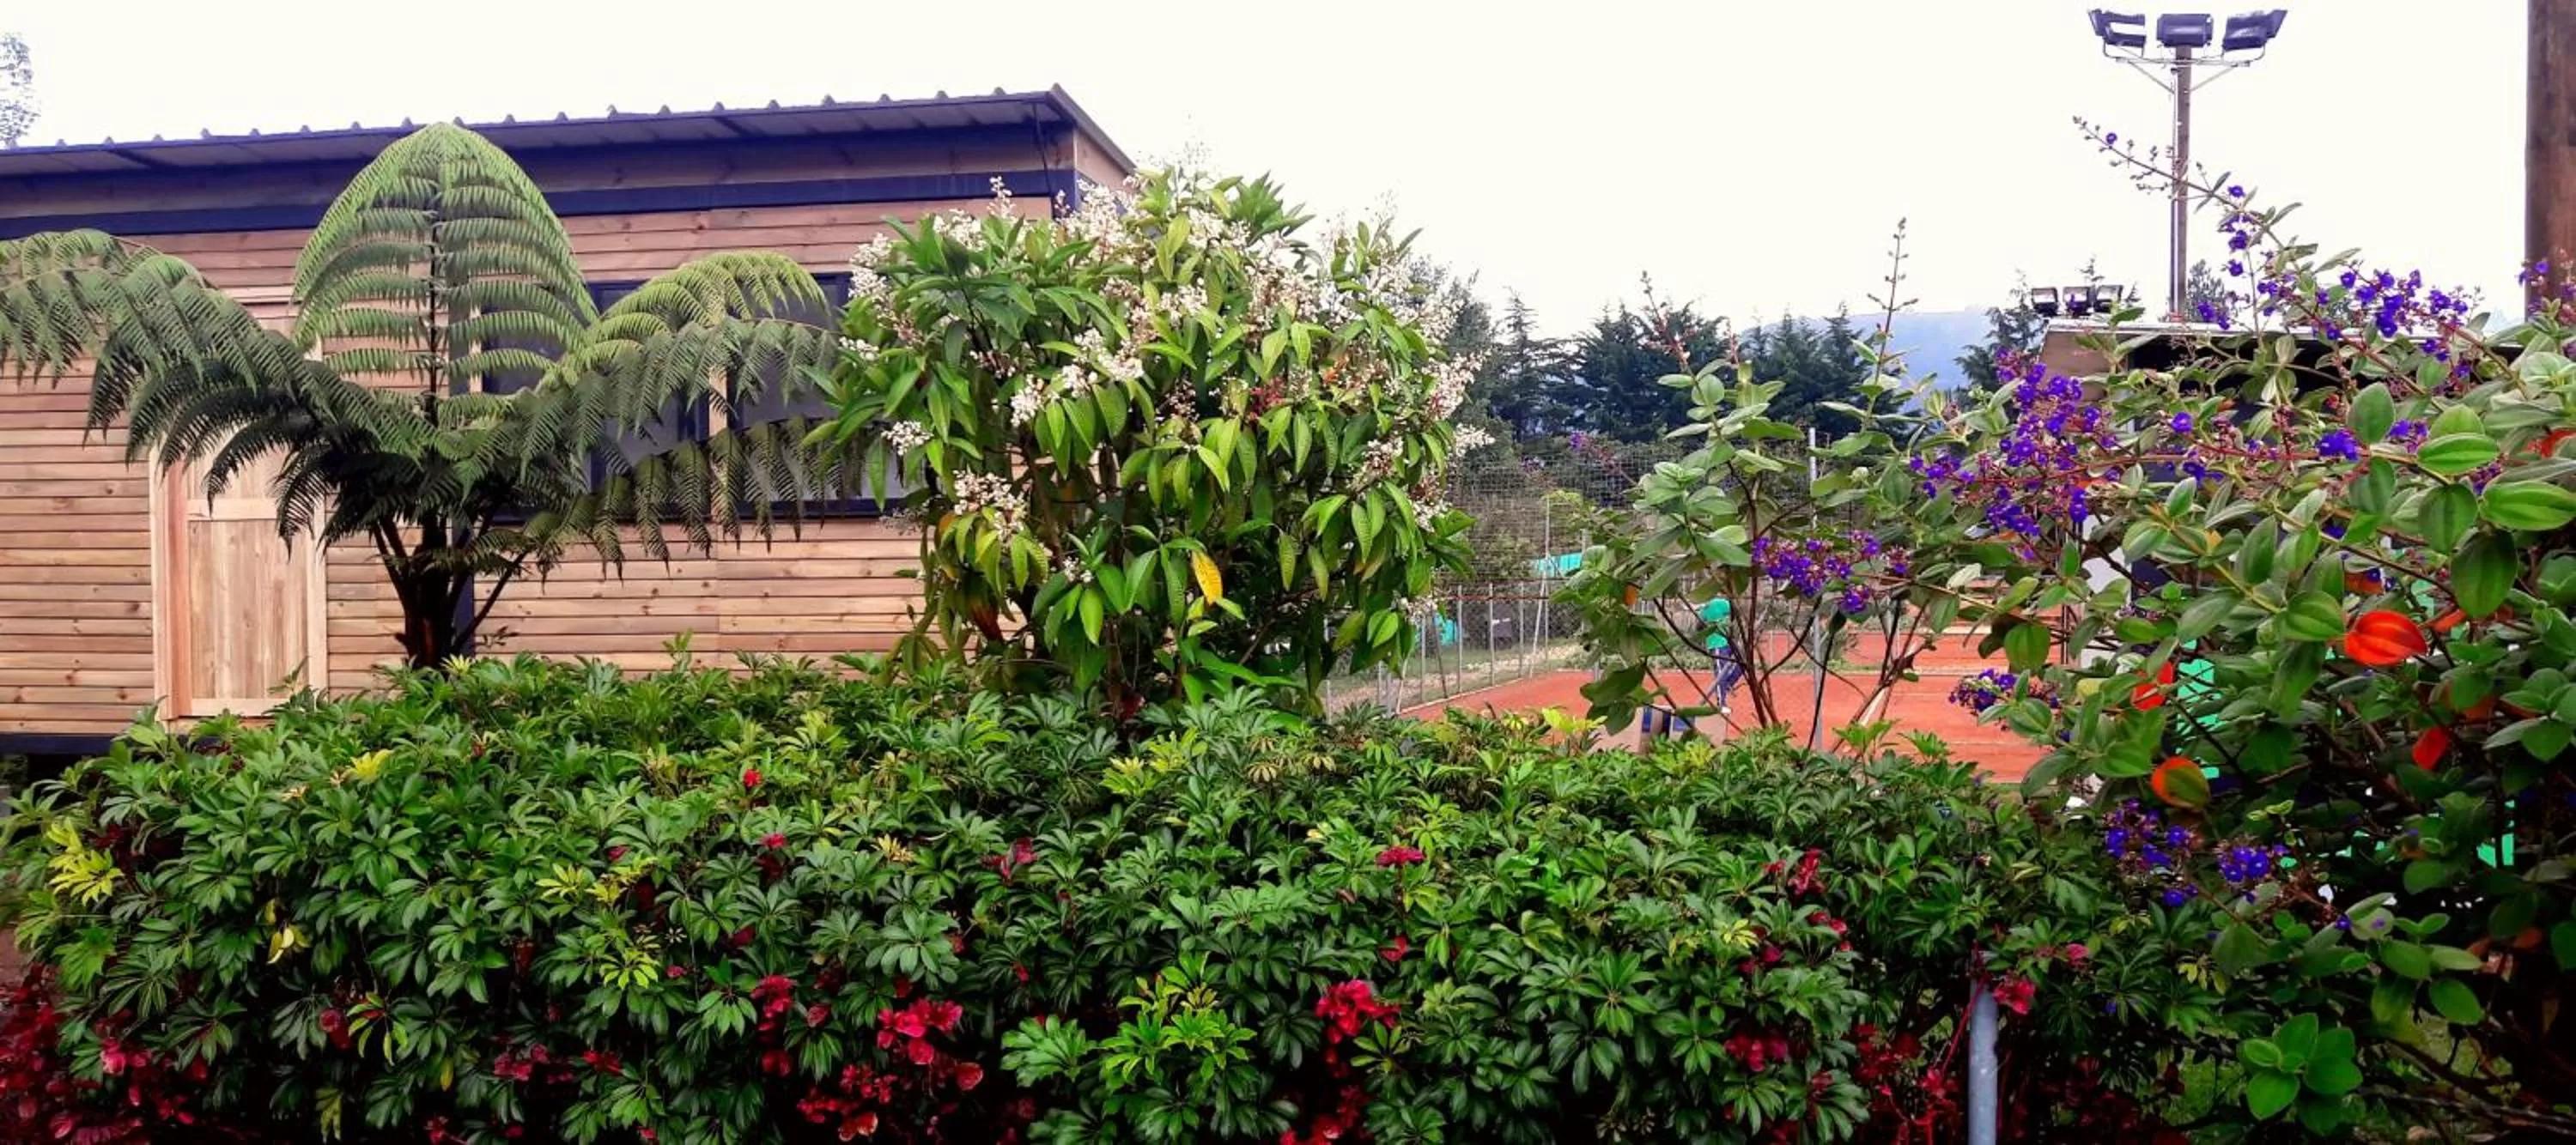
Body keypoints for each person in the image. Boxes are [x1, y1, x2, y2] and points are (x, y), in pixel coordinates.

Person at [1699, 596, 1742, 715]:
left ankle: (1726, 686)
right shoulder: (1720, 603)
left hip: (1722, 642)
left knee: (1723, 672)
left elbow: (1698, 626)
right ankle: (1721, 703)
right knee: (1726, 670)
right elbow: (1735, 611)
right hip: (1719, 642)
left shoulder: (1708, 606)